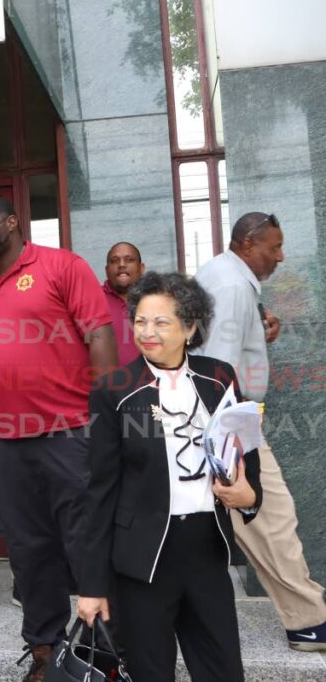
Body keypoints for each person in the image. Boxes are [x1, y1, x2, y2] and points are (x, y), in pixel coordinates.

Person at [0, 198, 117, 682]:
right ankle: (44, 650)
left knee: (88, 544)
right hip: (9, 445)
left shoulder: (62, 266)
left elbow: (100, 338)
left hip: (71, 435)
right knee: (28, 552)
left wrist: (105, 418)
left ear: (10, 223)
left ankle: (101, 653)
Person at [78, 271, 262, 681]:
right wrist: (91, 586)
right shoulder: (115, 390)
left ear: (190, 326)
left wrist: (249, 495)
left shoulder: (219, 377)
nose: (148, 332)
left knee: (223, 670)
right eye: (141, 321)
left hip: (206, 551)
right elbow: (99, 493)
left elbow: (245, 449)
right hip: (142, 558)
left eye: (161, 322)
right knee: (150, 672)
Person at [194, 212, 326, 651]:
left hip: (226, 417)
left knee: (260, 519)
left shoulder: (225, 273)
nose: (281, 256)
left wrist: (258, 325)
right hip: (231, 418)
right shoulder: (232, 285)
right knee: (271, 517)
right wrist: (234, 452)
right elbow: (217, 370)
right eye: (275, 247)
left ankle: (307, 611)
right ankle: (308, 619)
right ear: (249, 245)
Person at [102, 242, 145, 365]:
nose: (121, 265)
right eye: (114, 261)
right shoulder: (92, 299)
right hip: (108, 382)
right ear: (107, 270)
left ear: (141, 268)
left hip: (153, 382)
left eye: (129, 260)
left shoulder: (156, 299)